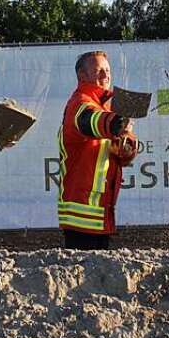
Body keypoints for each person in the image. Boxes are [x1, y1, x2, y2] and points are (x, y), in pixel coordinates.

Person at [57, 50, 137, 250]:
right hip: (81, 219)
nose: (105, 75)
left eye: (107, 70)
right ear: (82, 76)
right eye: (98, 70)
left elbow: (120, 153)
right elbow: (90, 121)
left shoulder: (106, 107)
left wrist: (127, 147)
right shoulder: (80, 103)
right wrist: (116, 123)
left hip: (100, 217)